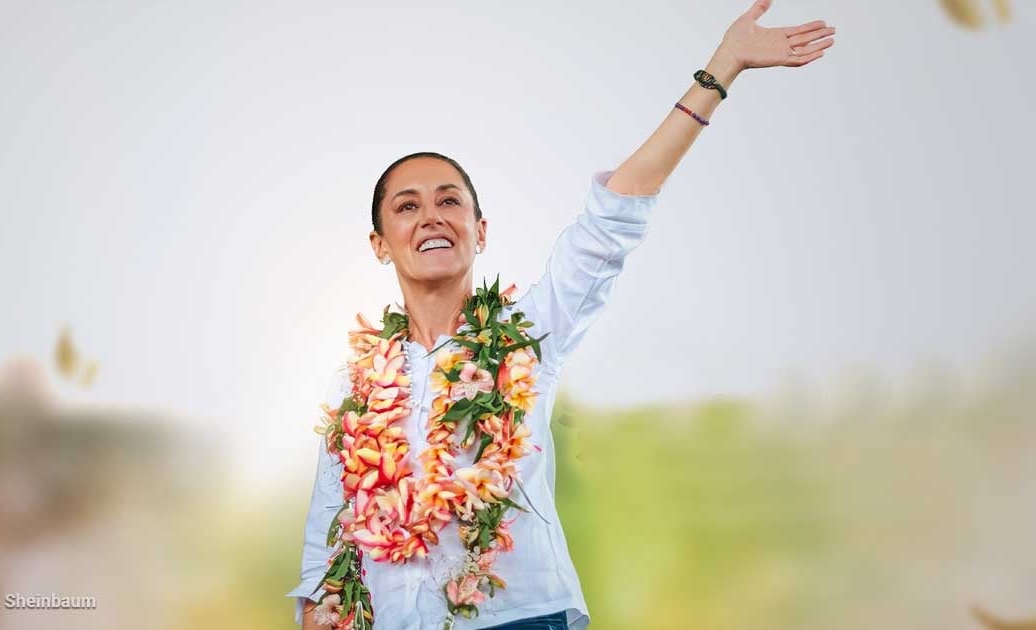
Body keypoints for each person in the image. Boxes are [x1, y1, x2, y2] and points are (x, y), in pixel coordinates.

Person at [288, 2, 835, 628]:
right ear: (380, 243)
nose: (431, 216)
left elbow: (610, 220)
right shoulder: (355, 386)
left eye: (450, 201)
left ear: (480, 231)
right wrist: (316, 612)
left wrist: (721, 70)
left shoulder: (526, 335)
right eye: (407, 207)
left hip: (519, 616)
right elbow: (328, 540)